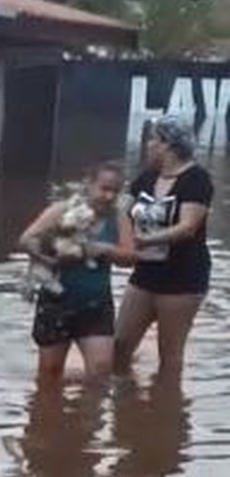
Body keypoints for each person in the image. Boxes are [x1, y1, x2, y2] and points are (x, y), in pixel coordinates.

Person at [114, 116, 214, 381]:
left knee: (169, 355)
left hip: (183, 278)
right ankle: (124, 404)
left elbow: (188, 227)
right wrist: (125, 240)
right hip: (146, 272)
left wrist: (146, 240)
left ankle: (167, 411)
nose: (148, 145)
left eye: (153, 140)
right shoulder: (147, 177)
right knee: (120, 344)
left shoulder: (197, 179)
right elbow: (123, 207)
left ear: (168, 145)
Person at [19, 162, 135, 381]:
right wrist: (48, 257)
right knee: (50, 373)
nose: (109, 196)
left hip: (96, 303)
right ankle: (49, 414)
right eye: (104, 188)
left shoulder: (118, 218)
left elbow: (130, 258)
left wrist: (104, 249)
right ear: (88, 185)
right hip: (56, 302)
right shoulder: (61, 210)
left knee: (101, 371)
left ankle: (91, 414)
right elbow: (26, 239)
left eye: (115, 191)